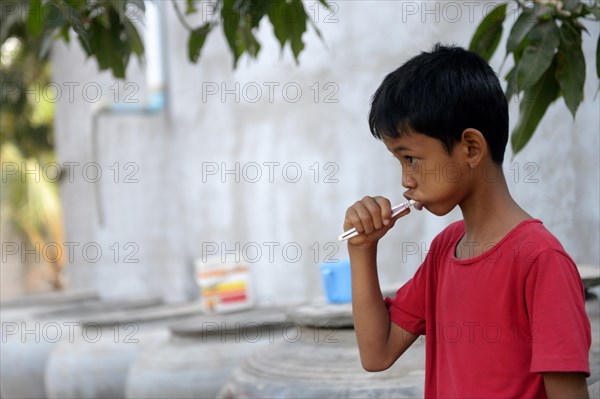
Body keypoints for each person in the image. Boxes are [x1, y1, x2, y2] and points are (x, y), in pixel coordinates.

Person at [343, 44, 591, 398]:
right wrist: (362, 249)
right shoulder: (445, 249)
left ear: (471, 148)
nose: (405, 180)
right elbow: (376, 353)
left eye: (411, 158)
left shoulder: (540, 260)